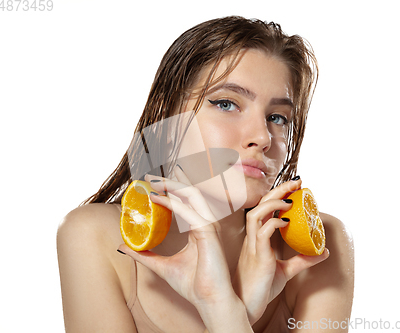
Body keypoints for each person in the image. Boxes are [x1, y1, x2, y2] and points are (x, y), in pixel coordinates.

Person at [57, 16, 354, 332]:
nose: (263, 138)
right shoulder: (96, 237)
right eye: (226, 103)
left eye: (278, 118)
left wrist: (223, 311)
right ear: (166, 117)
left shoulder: (316, 248)